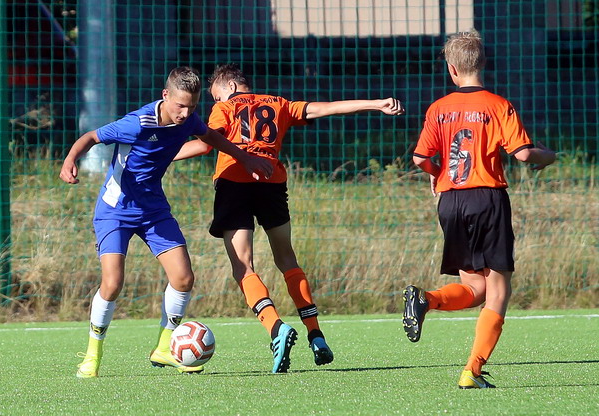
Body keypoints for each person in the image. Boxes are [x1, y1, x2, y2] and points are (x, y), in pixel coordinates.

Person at [174, 63, 404, 373]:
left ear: (230, 87)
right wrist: (376, 104)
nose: (216, 102)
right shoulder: (278, 104)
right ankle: (316, 334)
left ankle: (276, 328)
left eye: (216, 96)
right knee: (287, 259)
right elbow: (325, 108)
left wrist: (161, 154)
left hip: (234, 182)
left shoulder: (225, 108)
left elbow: (206, 143)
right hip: (272, 183)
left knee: (243, 266)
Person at [60, 66, 272, 378]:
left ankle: (162, 348)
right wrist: (69, 161)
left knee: (184, 278)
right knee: (112, 283)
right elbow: (91, 137)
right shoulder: (136, 123)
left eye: (192, 106)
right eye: (180, 105)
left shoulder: (189, 119)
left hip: (154, 211)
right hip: (115, 210)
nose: (186, 113)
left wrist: (245, 157)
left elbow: (210, 136)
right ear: (165, 96)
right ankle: (92, 354)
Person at [405, 30, 556, 389]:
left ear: (452, 69)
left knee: (474, 287)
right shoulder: (498, 105)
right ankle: (472, 370)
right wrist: (548, 156)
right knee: (498, 290)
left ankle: (427, 299)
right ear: (483, 64)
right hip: (487, 198)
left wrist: (438, 173)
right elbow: (523, 154)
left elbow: (420, 158)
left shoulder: (438, 108)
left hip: (451, 201)